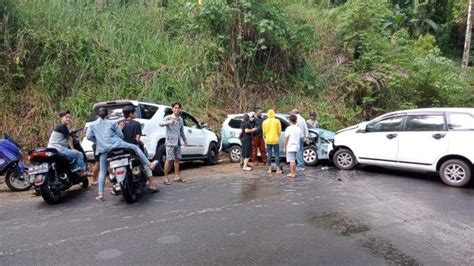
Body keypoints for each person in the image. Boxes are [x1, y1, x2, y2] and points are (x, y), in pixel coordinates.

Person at [86, 108, 158, 201]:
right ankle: (149, 164)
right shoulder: (112, 123)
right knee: (135, 147)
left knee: (103, 171)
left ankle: (100, 194)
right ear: (107, 115)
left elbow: (88, 137)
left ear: (98, 115)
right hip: (116, 145)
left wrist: (98, 141)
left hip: (103, 149)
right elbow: (121, 136)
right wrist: (119, 129)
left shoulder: (92, 125)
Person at [47, 110, 86, 176]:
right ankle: (80, 172)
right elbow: (68, 138)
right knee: (79, 154)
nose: (68, 119)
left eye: (69, 117)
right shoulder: (62, 126)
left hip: (51, 148)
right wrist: (73, 149)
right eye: (66, 117)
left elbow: (67, 135)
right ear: (61, 118)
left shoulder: (60, 126)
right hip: (59, 149)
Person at [159, 102, 187, 185]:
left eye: (178, 108)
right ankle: (166, 178)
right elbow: (160, 123)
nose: (177, 109)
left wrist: (184, 140)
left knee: (177, 159)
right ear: (172, 109)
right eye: (175, 107)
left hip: (177, 142)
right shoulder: (168, 117)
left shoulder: (180, 119)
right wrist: (169, 122)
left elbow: (181, 131)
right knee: (168, 159)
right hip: (170, 142)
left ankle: (177, 176)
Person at [262, 109, 282, 174]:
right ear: (274, 114)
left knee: (269, 155)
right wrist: (277, 136)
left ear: (268, 114)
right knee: (276, 155)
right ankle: (278, 170)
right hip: (275, 140)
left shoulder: (264, 122)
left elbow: (264, 133)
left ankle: (270, 169)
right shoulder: (277, 121)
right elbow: (279, 131)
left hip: (268, 140)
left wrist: (266, 138)